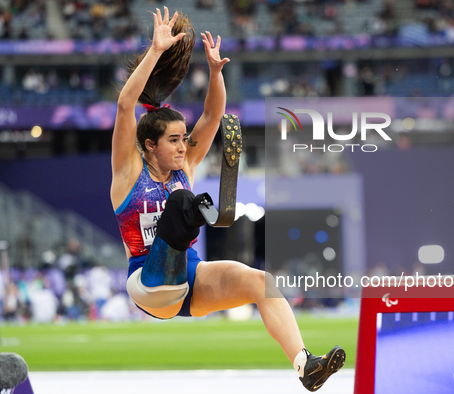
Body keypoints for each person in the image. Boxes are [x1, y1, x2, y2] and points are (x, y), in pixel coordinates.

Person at [110, 7, 345, 391]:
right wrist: (155, 51)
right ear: (149, 145)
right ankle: (205, 210)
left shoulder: (184, 164)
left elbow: (213, 115)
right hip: (149, 283)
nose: (185, 146)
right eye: (174, 140)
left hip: (189, 280)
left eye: (185, 138)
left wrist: (216, 75)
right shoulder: (127, 174)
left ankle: (305, 365)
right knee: (182, 201)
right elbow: (124, 106)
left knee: (261, 281)